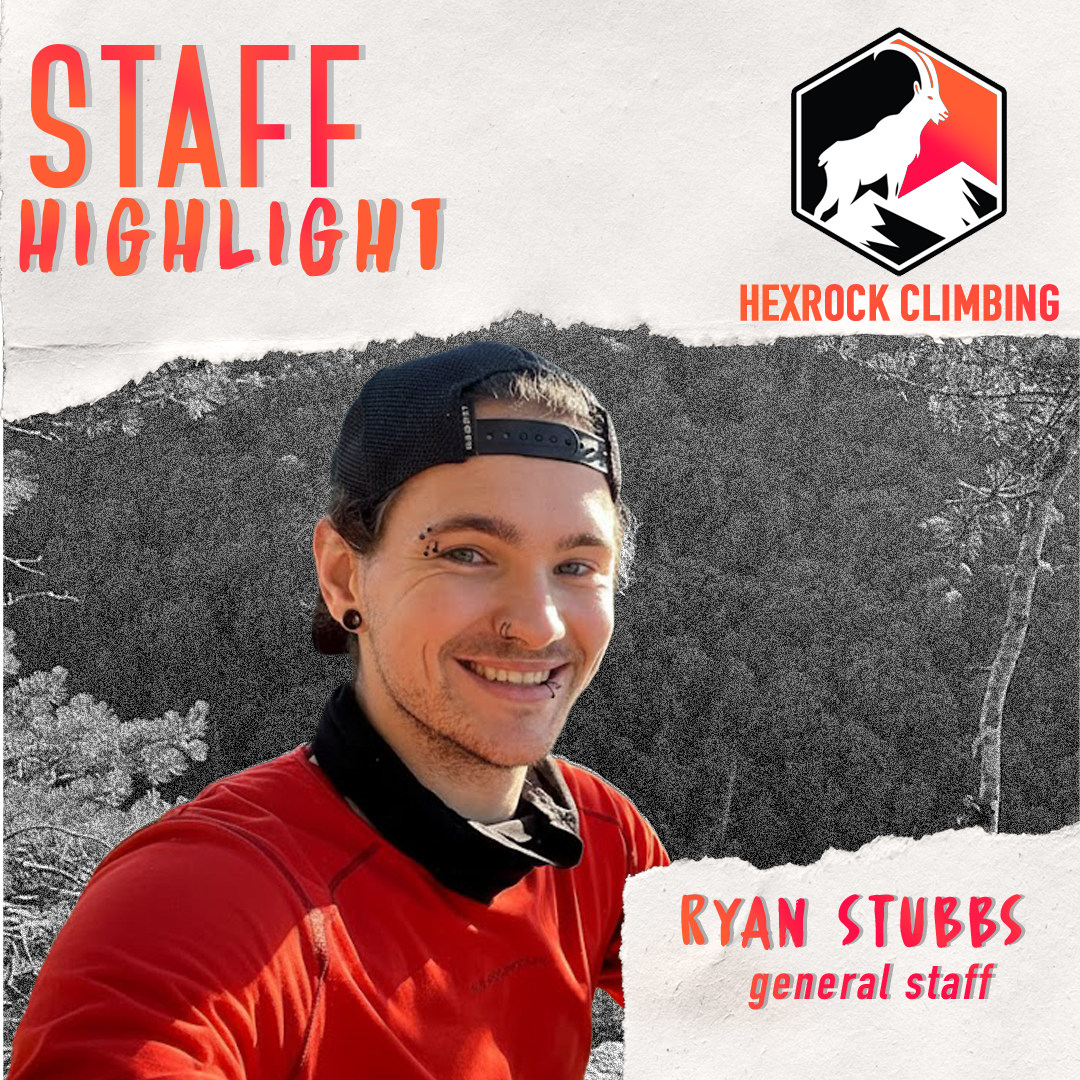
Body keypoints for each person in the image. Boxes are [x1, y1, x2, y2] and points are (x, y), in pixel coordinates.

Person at [9, 341, 669, 1080]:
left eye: (577, 567)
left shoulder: (596, 835)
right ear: (343, 576)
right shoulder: (205, 898)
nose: (541, 625)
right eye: (466, 554)